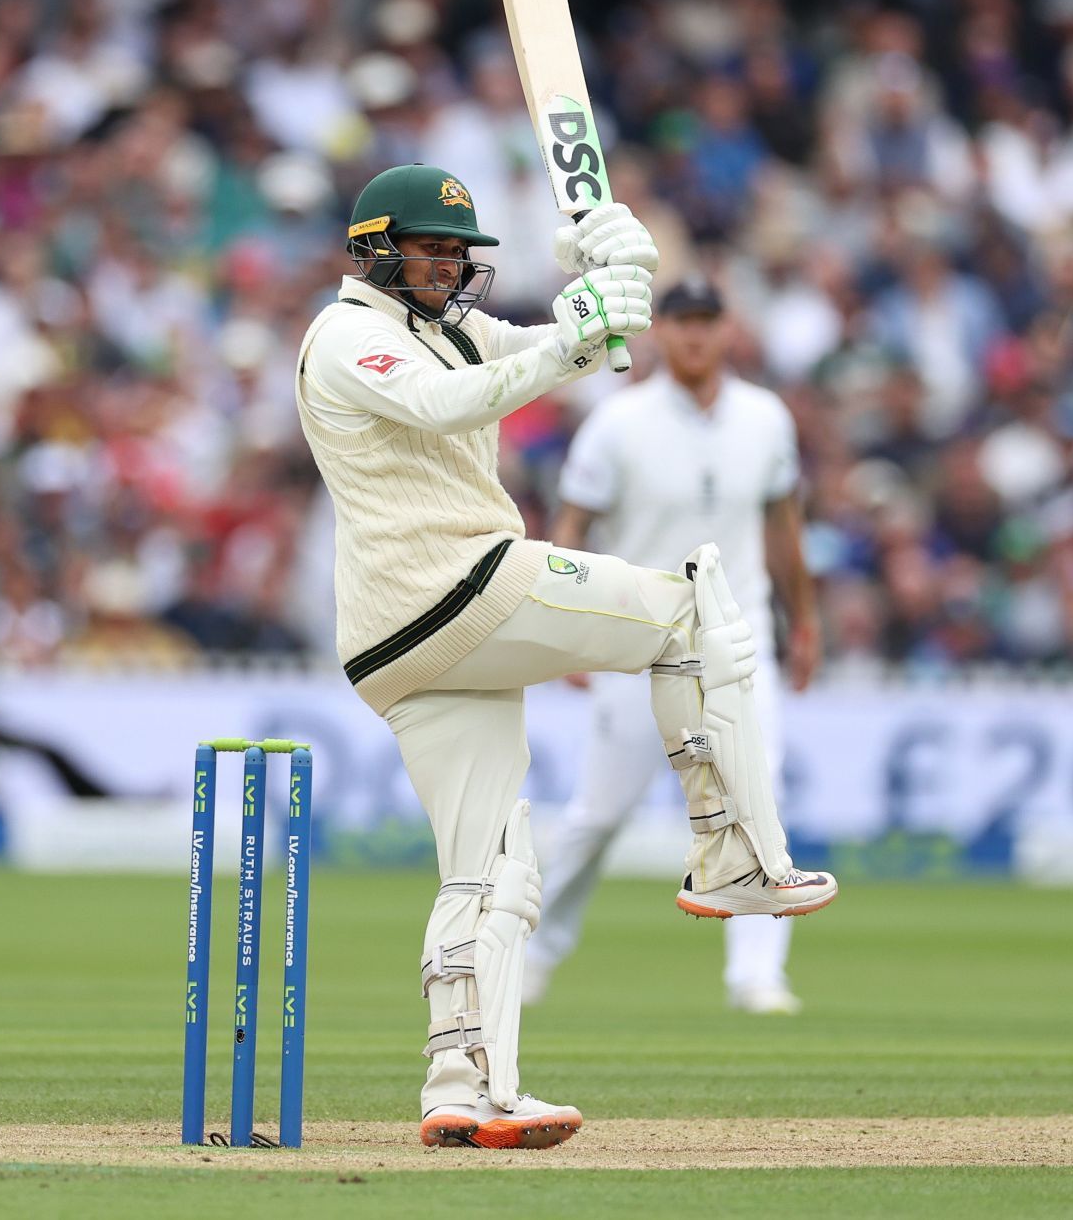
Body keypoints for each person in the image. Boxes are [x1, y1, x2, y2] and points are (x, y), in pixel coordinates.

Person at [294, 164, 838, 1150]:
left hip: (403, 646)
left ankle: (464, 1090)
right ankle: (732, 855)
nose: (453, 265)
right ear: (377, 249)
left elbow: (552, 354)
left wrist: (606, 290)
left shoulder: (446, 325)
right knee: (693, 613)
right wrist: (582, 323)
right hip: (452, 589)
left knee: (493, 871)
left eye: (463, 252)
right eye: (433, 249)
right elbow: (456, 403)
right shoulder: (346, 337)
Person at [528, 277, 821, 1015]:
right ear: (662, 332)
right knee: (598, 813)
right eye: (683, 324)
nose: (695, 337)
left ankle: (756, 971)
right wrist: (570, 626)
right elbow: (572, 530)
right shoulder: (617, 423)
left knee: (758, 797)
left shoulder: (765, 418)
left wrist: (805, 620)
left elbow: (784, 528)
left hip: (738, 641)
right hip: (638, 640)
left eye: (707, 323)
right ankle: (535, 953)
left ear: (728, 331)